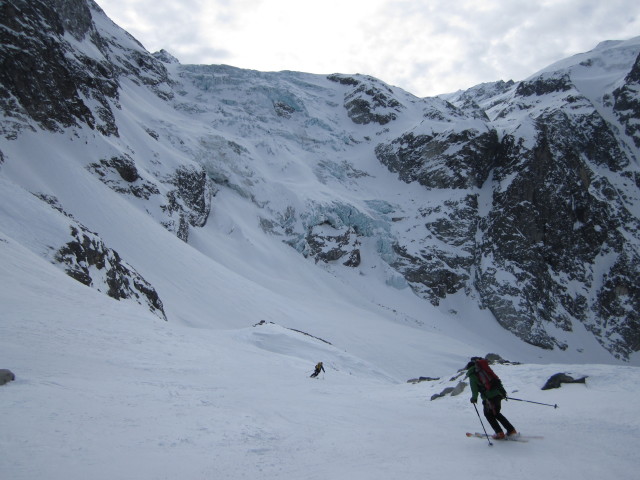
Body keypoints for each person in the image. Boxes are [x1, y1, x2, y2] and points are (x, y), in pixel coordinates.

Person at [466, 359, 517, 440]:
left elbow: (474, 389)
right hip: (498, 394)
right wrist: (502, 392)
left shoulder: (472, 375)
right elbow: (496, 380)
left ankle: (499, 433)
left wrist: (474, 398)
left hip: (489, 398)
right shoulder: (485, 370)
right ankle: (511, 430)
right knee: (496, 413)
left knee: (488, 414)